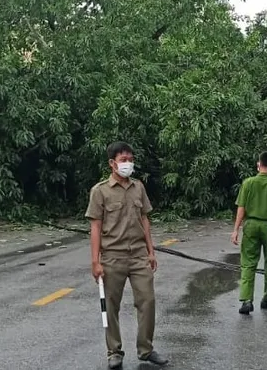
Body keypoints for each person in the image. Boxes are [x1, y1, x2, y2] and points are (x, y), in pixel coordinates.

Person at [86, 142, 168, 368]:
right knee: (111, 306)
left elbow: (145, 219)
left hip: (139, 255)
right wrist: (95, 262)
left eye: (130, 159)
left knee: (147, 301)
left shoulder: (138, 187)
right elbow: (95, 227)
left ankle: (146, 349)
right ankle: (114, 352)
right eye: (123, 160)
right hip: (113, 256)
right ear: (112, 163)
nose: (128, 164)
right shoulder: (100, 191)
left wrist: (151, 251)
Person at [231, 151, 267, 315]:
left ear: (259, 164)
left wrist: (236, 229)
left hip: (250, 226)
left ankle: (247, 301)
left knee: (248, 263)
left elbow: (241, 208)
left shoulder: (248, 183)